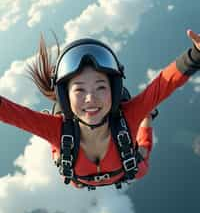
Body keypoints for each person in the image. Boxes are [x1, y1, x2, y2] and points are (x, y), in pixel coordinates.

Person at [0, 29, 200, 189]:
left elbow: (163, 85)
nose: (90, 98)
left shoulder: (128, 115)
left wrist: (194, 55)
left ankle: (146, 118)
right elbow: (11, 113)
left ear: (114, 91)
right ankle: (58, 145)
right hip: (81, 176)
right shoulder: (56, 129)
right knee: (65, 160)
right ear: (65, 96)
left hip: (110, 171)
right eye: (79, 89)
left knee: (141, 161)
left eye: (101, 87)